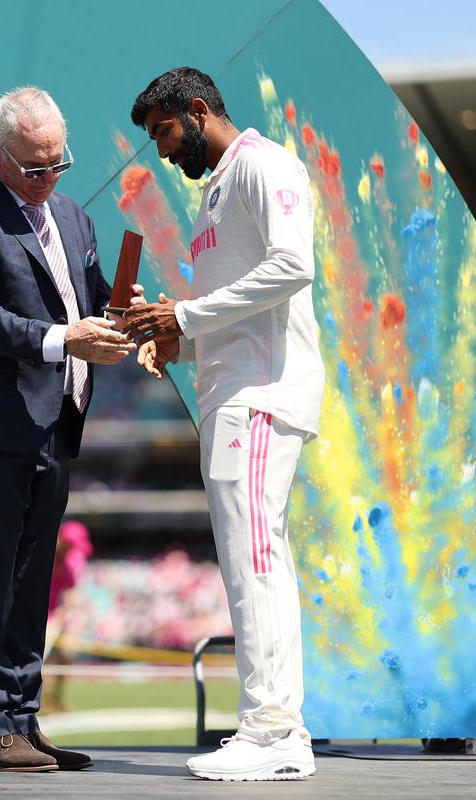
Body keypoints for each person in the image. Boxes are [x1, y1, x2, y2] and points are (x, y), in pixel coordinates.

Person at [123, 66, 325, 781]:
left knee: (257, 557)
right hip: (233, 392)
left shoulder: (263, 164)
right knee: (248, 560)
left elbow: (293, 267)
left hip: (263, 394)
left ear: (199, 111)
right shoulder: (216, 193)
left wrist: (182, 314)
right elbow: (242, 305)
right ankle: (273, 727)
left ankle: (274, 731)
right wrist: (185, 336)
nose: (162, 152)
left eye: (165, 134)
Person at [0, 85, 138, 772]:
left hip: (56, 421)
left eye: (58, 164)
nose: (47, 178)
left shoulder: (74, 217)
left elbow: (95, 300)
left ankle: (21, 715)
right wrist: (64, 340)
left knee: (31, 579)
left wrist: (139, 321)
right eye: (33, 167)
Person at [43, 519, 92, 713]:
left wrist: (71, 611)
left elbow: (71, 592)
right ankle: (40, 702)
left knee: (65, 656)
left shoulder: (68, 564)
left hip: (56, 619)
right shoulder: (43, 556)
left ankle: (55, 699)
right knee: (41, 663)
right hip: (39, 619)